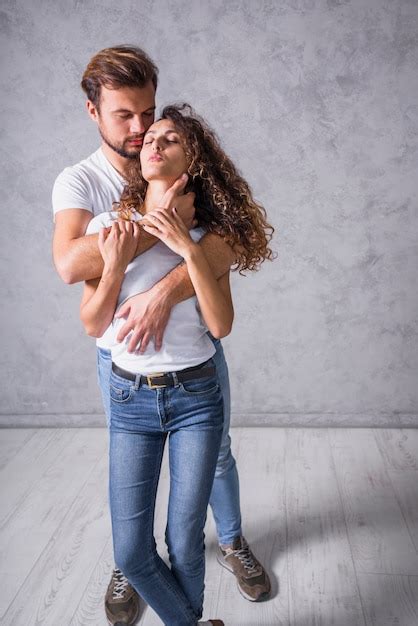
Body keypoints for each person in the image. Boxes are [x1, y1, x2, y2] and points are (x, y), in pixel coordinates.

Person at [52, 46, 271, 626]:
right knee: (133, 547)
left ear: (190, 156)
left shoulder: (204, 220)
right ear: (93, 111)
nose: (142, 130)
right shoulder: (90, 195)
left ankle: (232, 542)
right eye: (126, 116)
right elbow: (77, 274)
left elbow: (223, 295)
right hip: (126, 387)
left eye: (152, 119)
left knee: (189, 521)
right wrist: (137, 243)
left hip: (196, 382)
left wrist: (182, 247)